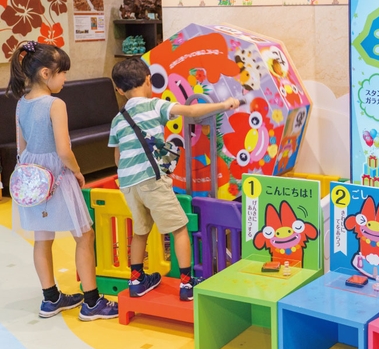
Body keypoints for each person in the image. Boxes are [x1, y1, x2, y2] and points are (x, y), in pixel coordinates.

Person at [109, 57, 240, 301]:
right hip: (151, 180)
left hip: (127, 183)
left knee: (140, 231)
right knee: (179, 229)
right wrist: (224, 104)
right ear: (148, 80)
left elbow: (117, 158)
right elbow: (190, 111)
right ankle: (187, 284)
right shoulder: (154, 105)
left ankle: (136, 280)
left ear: (119, 89)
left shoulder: (118, 119)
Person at [7, 41, 118, 321]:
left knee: (42, 239)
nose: (65, 79)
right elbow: (63, 150)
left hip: (33, 176)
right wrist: (78, 171)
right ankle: (92, 302)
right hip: (57, 174)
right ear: (46, 73)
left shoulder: (21, 103)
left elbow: (21, 146)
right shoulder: (55, 104)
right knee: (84, 235)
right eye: (63, 73)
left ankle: (51, 298)